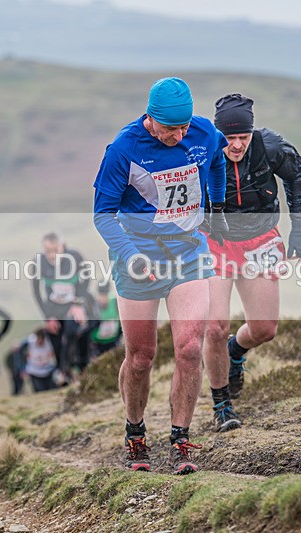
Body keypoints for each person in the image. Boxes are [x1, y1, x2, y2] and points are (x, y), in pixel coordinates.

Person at [93, 77, 229, 474]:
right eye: (171, 129)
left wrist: (216, 208)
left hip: (188, 252)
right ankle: (135, 431)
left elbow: (217, 160)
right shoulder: (124, 149)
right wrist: (132, 255)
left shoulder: (203, 131)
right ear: (151, 119)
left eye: (184, 127)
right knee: (141, 357)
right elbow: (103, 215)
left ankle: (180, 439)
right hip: (139, 256)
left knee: (189, 347)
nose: (180, 135)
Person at [202, 94, 301, 432]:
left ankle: (235, 351)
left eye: (243, 137)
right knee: (214, 327)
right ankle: (222, 404)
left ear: (252, 132)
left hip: (260, 240)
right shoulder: (203, 149)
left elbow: (296, 177)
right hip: (215, 242)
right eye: (229, 138)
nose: (236, 145)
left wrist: (299, 233)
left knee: (265, 330)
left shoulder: (271, 147)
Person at [32, 232, 99, 381]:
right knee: (55, 338)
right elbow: (36, 293)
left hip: (73, 304)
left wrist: (77, 304)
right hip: (53, 308)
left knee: (72, 332)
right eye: (47, 251)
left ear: (63, 246)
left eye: (55, 250)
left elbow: (86, 279)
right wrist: (48, 317)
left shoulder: (75, 257)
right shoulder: (38, 263)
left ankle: (78, 369)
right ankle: (65, 375)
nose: (51, 255)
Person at [20, 326, 58, 392]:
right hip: (34, 371)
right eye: (38, 340)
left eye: (42, 340)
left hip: (49, 369)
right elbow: (20, 352)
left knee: (51, 390)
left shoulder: (49, 341)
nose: (40, 342)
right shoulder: (29, 341)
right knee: (39, 391)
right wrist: (23, 368)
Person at [91, 283, 122, 356]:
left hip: (113, 341)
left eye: (105, 295)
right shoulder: (94, 305)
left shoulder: (115, 302)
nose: (103, 299)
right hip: (98, 343)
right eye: (101, 295)